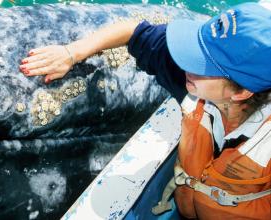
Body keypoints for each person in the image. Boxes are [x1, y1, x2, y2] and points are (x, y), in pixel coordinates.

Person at [19, 2, 271, 219]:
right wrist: (72, 52)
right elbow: (134, 32)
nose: (185, 63)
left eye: (201, 64)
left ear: (241, 92)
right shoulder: (190, 79)